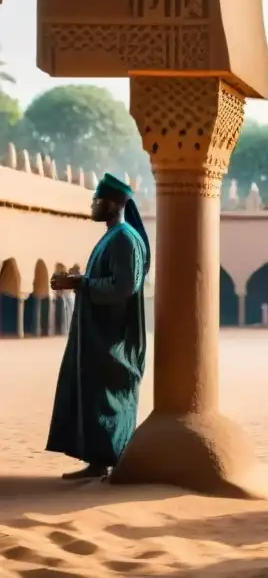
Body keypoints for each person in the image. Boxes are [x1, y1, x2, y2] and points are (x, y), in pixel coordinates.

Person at [46, 173, 150, 480]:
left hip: (113, 339)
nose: (93, 205)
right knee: (94, 397)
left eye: (97, 201)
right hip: (98, 334)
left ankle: (114, 461)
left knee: (109, 400)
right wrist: (79, 281)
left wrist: (82, 283)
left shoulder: (124, 239)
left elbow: (124, 287)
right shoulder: (112, 237)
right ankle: (97, 462)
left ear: (115, 204)